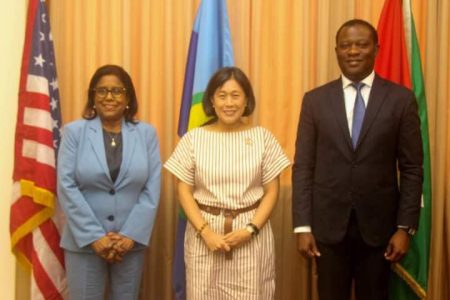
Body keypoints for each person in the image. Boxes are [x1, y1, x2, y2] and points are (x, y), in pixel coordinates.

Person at [292, 19, 423, 300]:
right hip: (327, 231)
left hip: (380, 233)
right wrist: (302, 226)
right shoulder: (314, 101)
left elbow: (412, 168)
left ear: (376, 49)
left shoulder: (401, 100)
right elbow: (303, 166)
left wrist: (405, 228)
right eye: (346, 45)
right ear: (336, 50)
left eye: (361, 45)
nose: (353, 51)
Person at [165, 66, 290, 299]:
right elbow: (182, 189)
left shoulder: (262, 138)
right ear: (212, 100)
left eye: (236, 95)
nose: (229, 103)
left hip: (250, 233)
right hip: (205, 233)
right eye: (222, 96)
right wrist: (205, 232)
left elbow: (272, 191)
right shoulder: (194, 139)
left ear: (246, 101)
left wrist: (250, 230)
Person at [57, 64, 161, 300]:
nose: (109, 97)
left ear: (128, 97)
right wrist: (95, 237)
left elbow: (152, 187)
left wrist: (130, 235)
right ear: (92, 97)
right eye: (102, 91)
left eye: (117, 91)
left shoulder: (146, 134)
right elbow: (66, 185)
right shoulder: (74, 132)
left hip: (129, 244)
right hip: (84, 243)